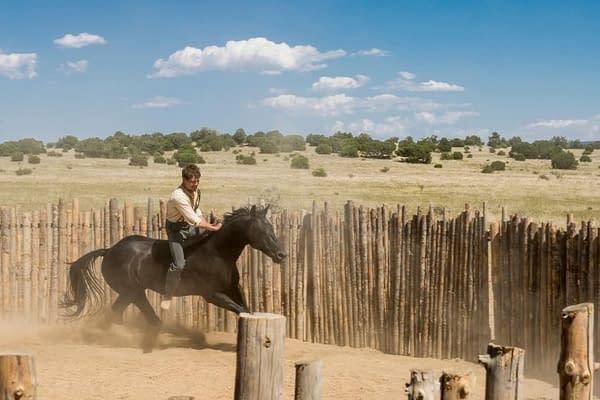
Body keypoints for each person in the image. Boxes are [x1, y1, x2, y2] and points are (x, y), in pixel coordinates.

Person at [161, 164, 222, 310]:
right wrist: (212, 227)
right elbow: (193, 219)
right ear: (184, 180)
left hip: (188, 226)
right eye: (193, 182)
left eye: (197, 181)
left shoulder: (195, 192)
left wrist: (209, 226)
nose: (195, 184)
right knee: (179, 264)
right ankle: (168, 296)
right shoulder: (178, 196)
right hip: (176, 230)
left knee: (211, 237)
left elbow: (196, 211)